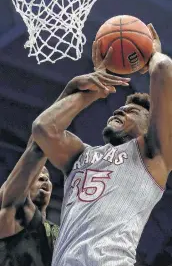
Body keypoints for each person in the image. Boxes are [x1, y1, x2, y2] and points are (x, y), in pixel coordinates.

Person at [32, 24, 171, 266]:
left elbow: (164, 69)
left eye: (132, 111)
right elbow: (43, 129)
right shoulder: (80, 154)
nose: (119, 110)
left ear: (149, 127)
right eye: (120, 107)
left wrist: (151, 54)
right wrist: (94, 89)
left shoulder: (154, 155)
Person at [0, 136, 59, 266]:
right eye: (38, 175)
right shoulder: (10, 211)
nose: (44, 178)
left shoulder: (59, 232)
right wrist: (45, 134)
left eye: (48, 177)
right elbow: (34, 153)